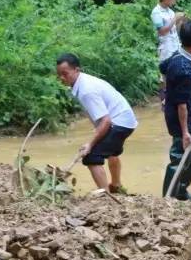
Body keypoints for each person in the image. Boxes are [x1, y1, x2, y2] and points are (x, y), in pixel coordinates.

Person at [54, 53, 137, 194]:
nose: (62, 78)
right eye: (59, 74)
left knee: (91, 157)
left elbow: (106, 121)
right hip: (125, 119)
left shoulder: (87, 90)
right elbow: (102, 118)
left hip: (120, 122)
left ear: (77, 70)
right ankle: (116, 186)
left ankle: (105, 195)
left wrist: (90, 144)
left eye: (65, 74)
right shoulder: (81, 83)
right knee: (109, 150)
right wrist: (96, 137)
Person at [160, 20, 191, 201]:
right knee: (180, 156)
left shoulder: (178, 56)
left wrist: (166, 93)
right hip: (184, 121)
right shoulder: (184, 69)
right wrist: (185, 131)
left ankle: (180, 190)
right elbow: (181, 105)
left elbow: (162, 68)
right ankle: (169, 197)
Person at [152, 0, 186, 65]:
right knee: (167, 75)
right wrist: (175, 19)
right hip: (166, 50)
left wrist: (180, 21)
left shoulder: (170, 11)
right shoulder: (156, 12)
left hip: (176, 47)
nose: (174, 0)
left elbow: (173, 28)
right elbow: (162, 32)